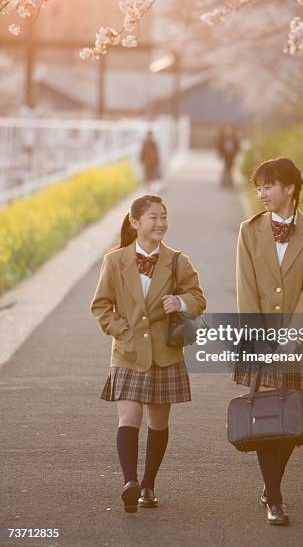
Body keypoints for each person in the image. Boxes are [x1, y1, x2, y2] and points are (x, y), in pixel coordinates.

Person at [90, 194, 206, 513]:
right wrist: (122, 331)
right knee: (129, 416)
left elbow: (198, 297)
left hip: (165, 353)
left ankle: (149, 484)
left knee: (158, 421)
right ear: (136, 223)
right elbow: (100, 306)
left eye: (164, 217)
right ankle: (130, 482)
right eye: (153, 217)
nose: (160, 223)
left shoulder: (178, 260)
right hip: (127, 351)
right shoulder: (114, 261)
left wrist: (180, 303)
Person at [233, 157, 303, 526]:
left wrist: (290, 339)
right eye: (258, 187)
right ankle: (274, 498)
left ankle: (271, 484)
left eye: (268, 186)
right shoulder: (248, 230)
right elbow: (245, 286)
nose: (261, 194)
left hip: (295, 340)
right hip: (259, 338)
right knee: (263, 415)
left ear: (290, 188)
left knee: (290, 419)